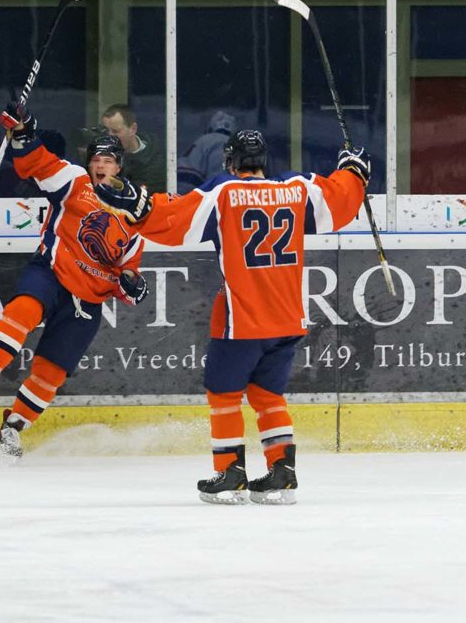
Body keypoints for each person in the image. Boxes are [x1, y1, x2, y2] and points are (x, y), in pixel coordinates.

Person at [95, 129, 370, 505]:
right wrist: (354, 170)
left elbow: (178, 219)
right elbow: (340, 199)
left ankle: (229, 472)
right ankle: (282, 472)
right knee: (267, 394)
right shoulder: (298, 189)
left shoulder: (225, 193)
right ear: (263, 162)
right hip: (288, 318)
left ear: (231, 162)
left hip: (242, 317)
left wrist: (141, 206)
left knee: (223, 393)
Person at [0, 104, 150, 457]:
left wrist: (132, 285)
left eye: (108, 161)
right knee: (25, 308)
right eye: (96, 160)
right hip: (51, 271)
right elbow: (37, 163)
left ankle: (13, 429)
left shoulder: (135, 210)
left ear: (119, 166)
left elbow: (128, 272)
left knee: (52, 371)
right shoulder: (75, 181)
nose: (100, 166)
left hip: (88, 299)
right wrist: (24, 132)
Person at [101, 103, 167, 194]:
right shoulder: (100, 154)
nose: (110, 137)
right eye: (106, 131)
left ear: (133, 129)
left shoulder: (156, 163)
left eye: (115, 131)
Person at [176, 110, 236, 193]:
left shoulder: (202, 140)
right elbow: (217, 180)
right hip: (191, 186)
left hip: (178, 183)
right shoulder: (223, 142)